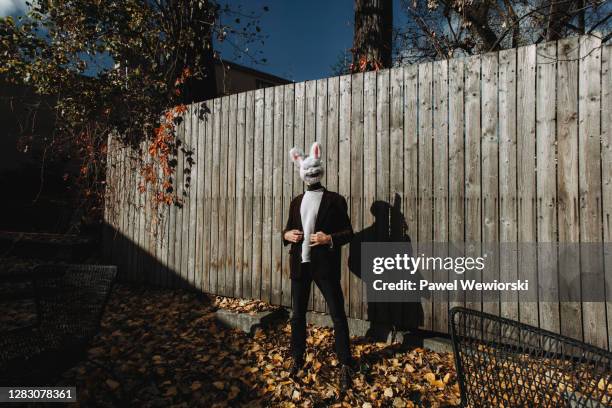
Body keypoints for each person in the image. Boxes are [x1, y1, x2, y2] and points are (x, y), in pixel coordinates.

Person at [282, 141, 354, 392]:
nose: (311, 174)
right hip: (300, 266)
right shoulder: (296, 201)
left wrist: (329, 238)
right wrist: (286, 235)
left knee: (337, 315)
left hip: (325, 266)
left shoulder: (335, 200)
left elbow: (349, 233)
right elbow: (288, 228)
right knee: (297, 315)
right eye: (306, 170)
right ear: (300, 171)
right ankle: (297, 357)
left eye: (314, 169)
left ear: (320, 168)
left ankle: (346, 363)